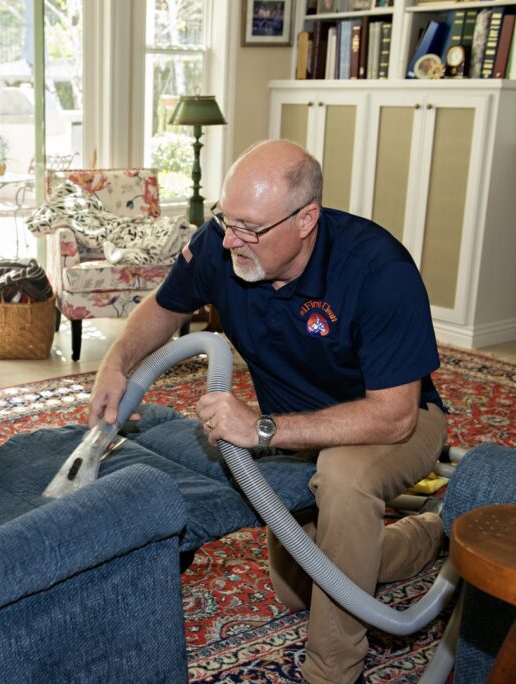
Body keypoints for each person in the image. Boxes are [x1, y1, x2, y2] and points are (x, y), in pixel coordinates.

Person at [88, 139, 447, 684]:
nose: (230, 239)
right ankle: (426, 537)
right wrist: (116, 364)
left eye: (250, 228)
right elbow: (165, 306)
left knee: (343, 477)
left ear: (306, 220)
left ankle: (332, 672)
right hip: (293, 429)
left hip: (391, 421)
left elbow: (394, 415)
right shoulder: (223, 244)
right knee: (298, 585)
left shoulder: (378, 270)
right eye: (225, 220)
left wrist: (260, 428)